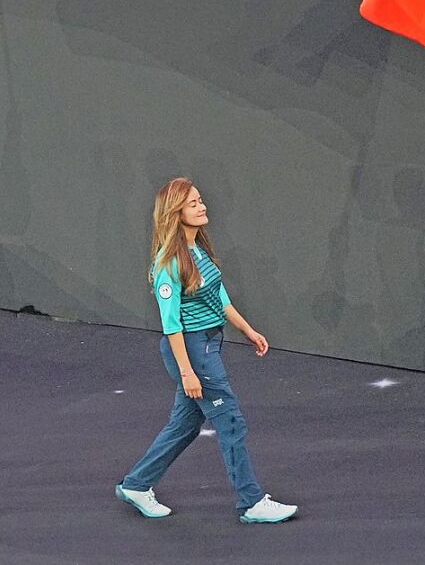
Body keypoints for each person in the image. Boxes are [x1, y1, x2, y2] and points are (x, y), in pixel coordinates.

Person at [116, 178, 297, 524]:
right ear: (175, 213)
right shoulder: (168, 263)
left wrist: (248, 330)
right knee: (230, 422)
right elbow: (172, 326)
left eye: (200, 200)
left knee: (185, 423)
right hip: (193, 350)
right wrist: (188, 372)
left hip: (209, 342)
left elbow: (220, 299)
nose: (202, 206)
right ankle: (251, 501)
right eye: (193, 203)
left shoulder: (197, 249)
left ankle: (137, 484)